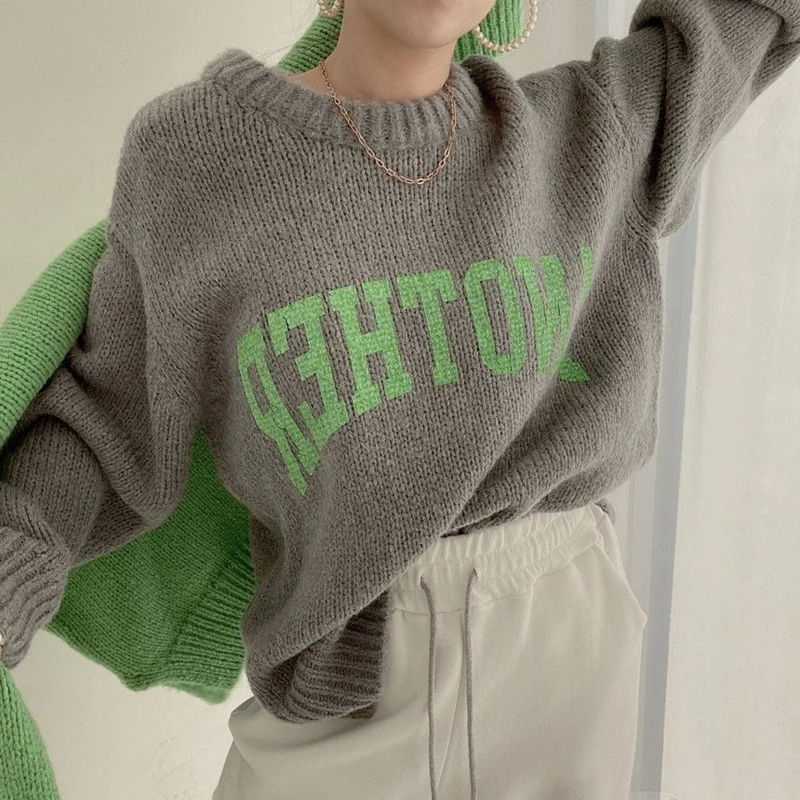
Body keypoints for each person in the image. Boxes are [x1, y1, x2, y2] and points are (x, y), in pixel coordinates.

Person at [2, 0, 799, 797]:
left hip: (564, 651)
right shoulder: (197, 156)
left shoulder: (589, 129)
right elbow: (106, 417)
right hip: (345, 676)